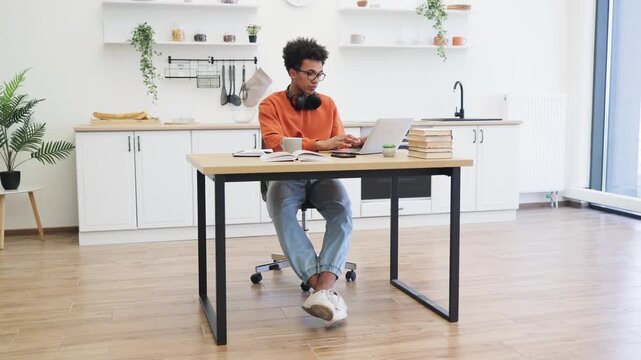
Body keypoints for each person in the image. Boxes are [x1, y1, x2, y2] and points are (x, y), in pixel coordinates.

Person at [259, 37, 363, 326]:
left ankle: (321, 289)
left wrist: (354, 143)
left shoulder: (327, 104)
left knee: (342, 209)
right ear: (292, 72)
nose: (316, 80)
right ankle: (324, 289)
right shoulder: (271, 105)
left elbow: (337, 144)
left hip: (321, 175)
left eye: (320, 74)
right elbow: (275, 143)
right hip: (284, 176)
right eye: (310, 74)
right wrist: (322, 143)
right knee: (280, 210)